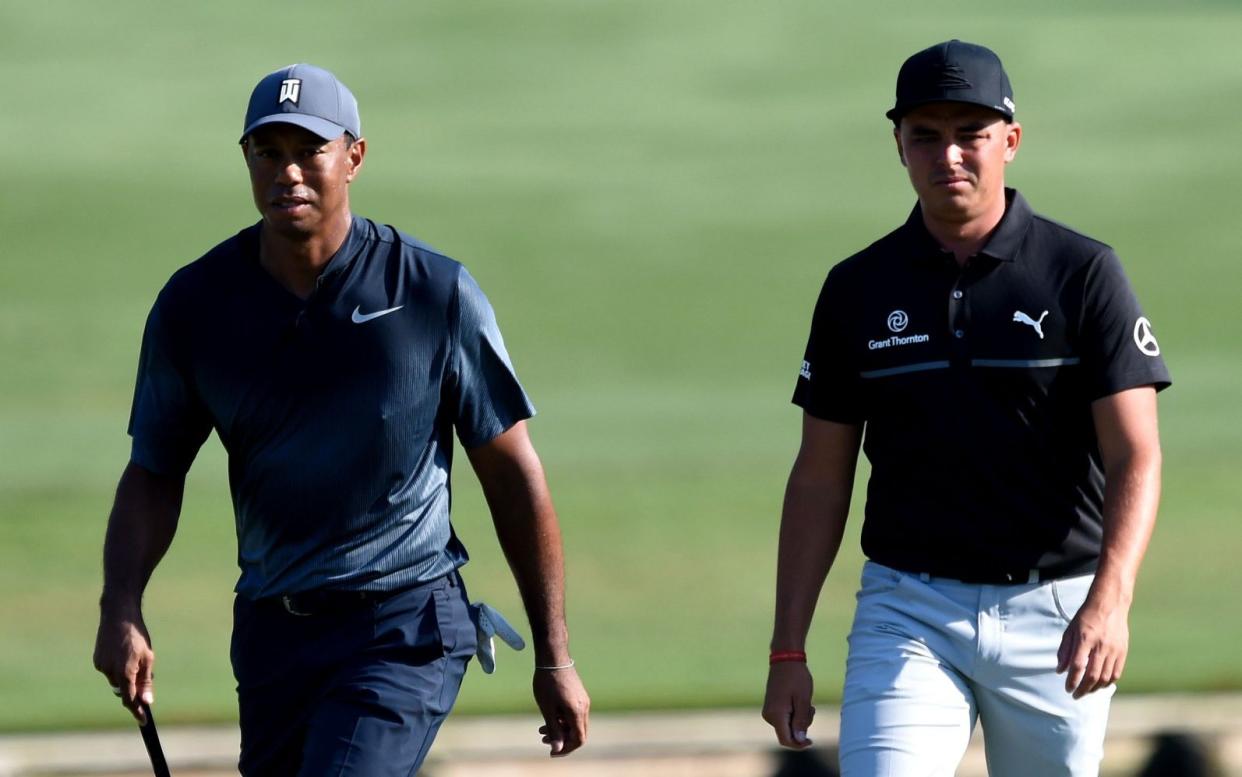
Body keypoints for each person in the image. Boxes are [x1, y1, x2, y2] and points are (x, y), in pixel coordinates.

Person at [92, 63, 590, 776]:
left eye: (309, 151)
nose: (288, 172)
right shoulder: (196, 306)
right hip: (270, 633)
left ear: (353, 157)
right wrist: (122, 606)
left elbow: (513, 474)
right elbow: (154, 471)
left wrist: (555, 654)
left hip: (402, 627)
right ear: (247, 160)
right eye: (269, 153)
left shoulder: (432, 293)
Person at [761, 40, 1169, 776]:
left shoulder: (1082, 273)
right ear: (899, 146)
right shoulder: (857, 287)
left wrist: (1109, 602)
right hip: (908, 608)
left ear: (1009, 142)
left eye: (970, 134)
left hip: (1058, 614)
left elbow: (1135, 452)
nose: (948, 155)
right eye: (926, 134)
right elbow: (820, 475)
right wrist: (788, 646)